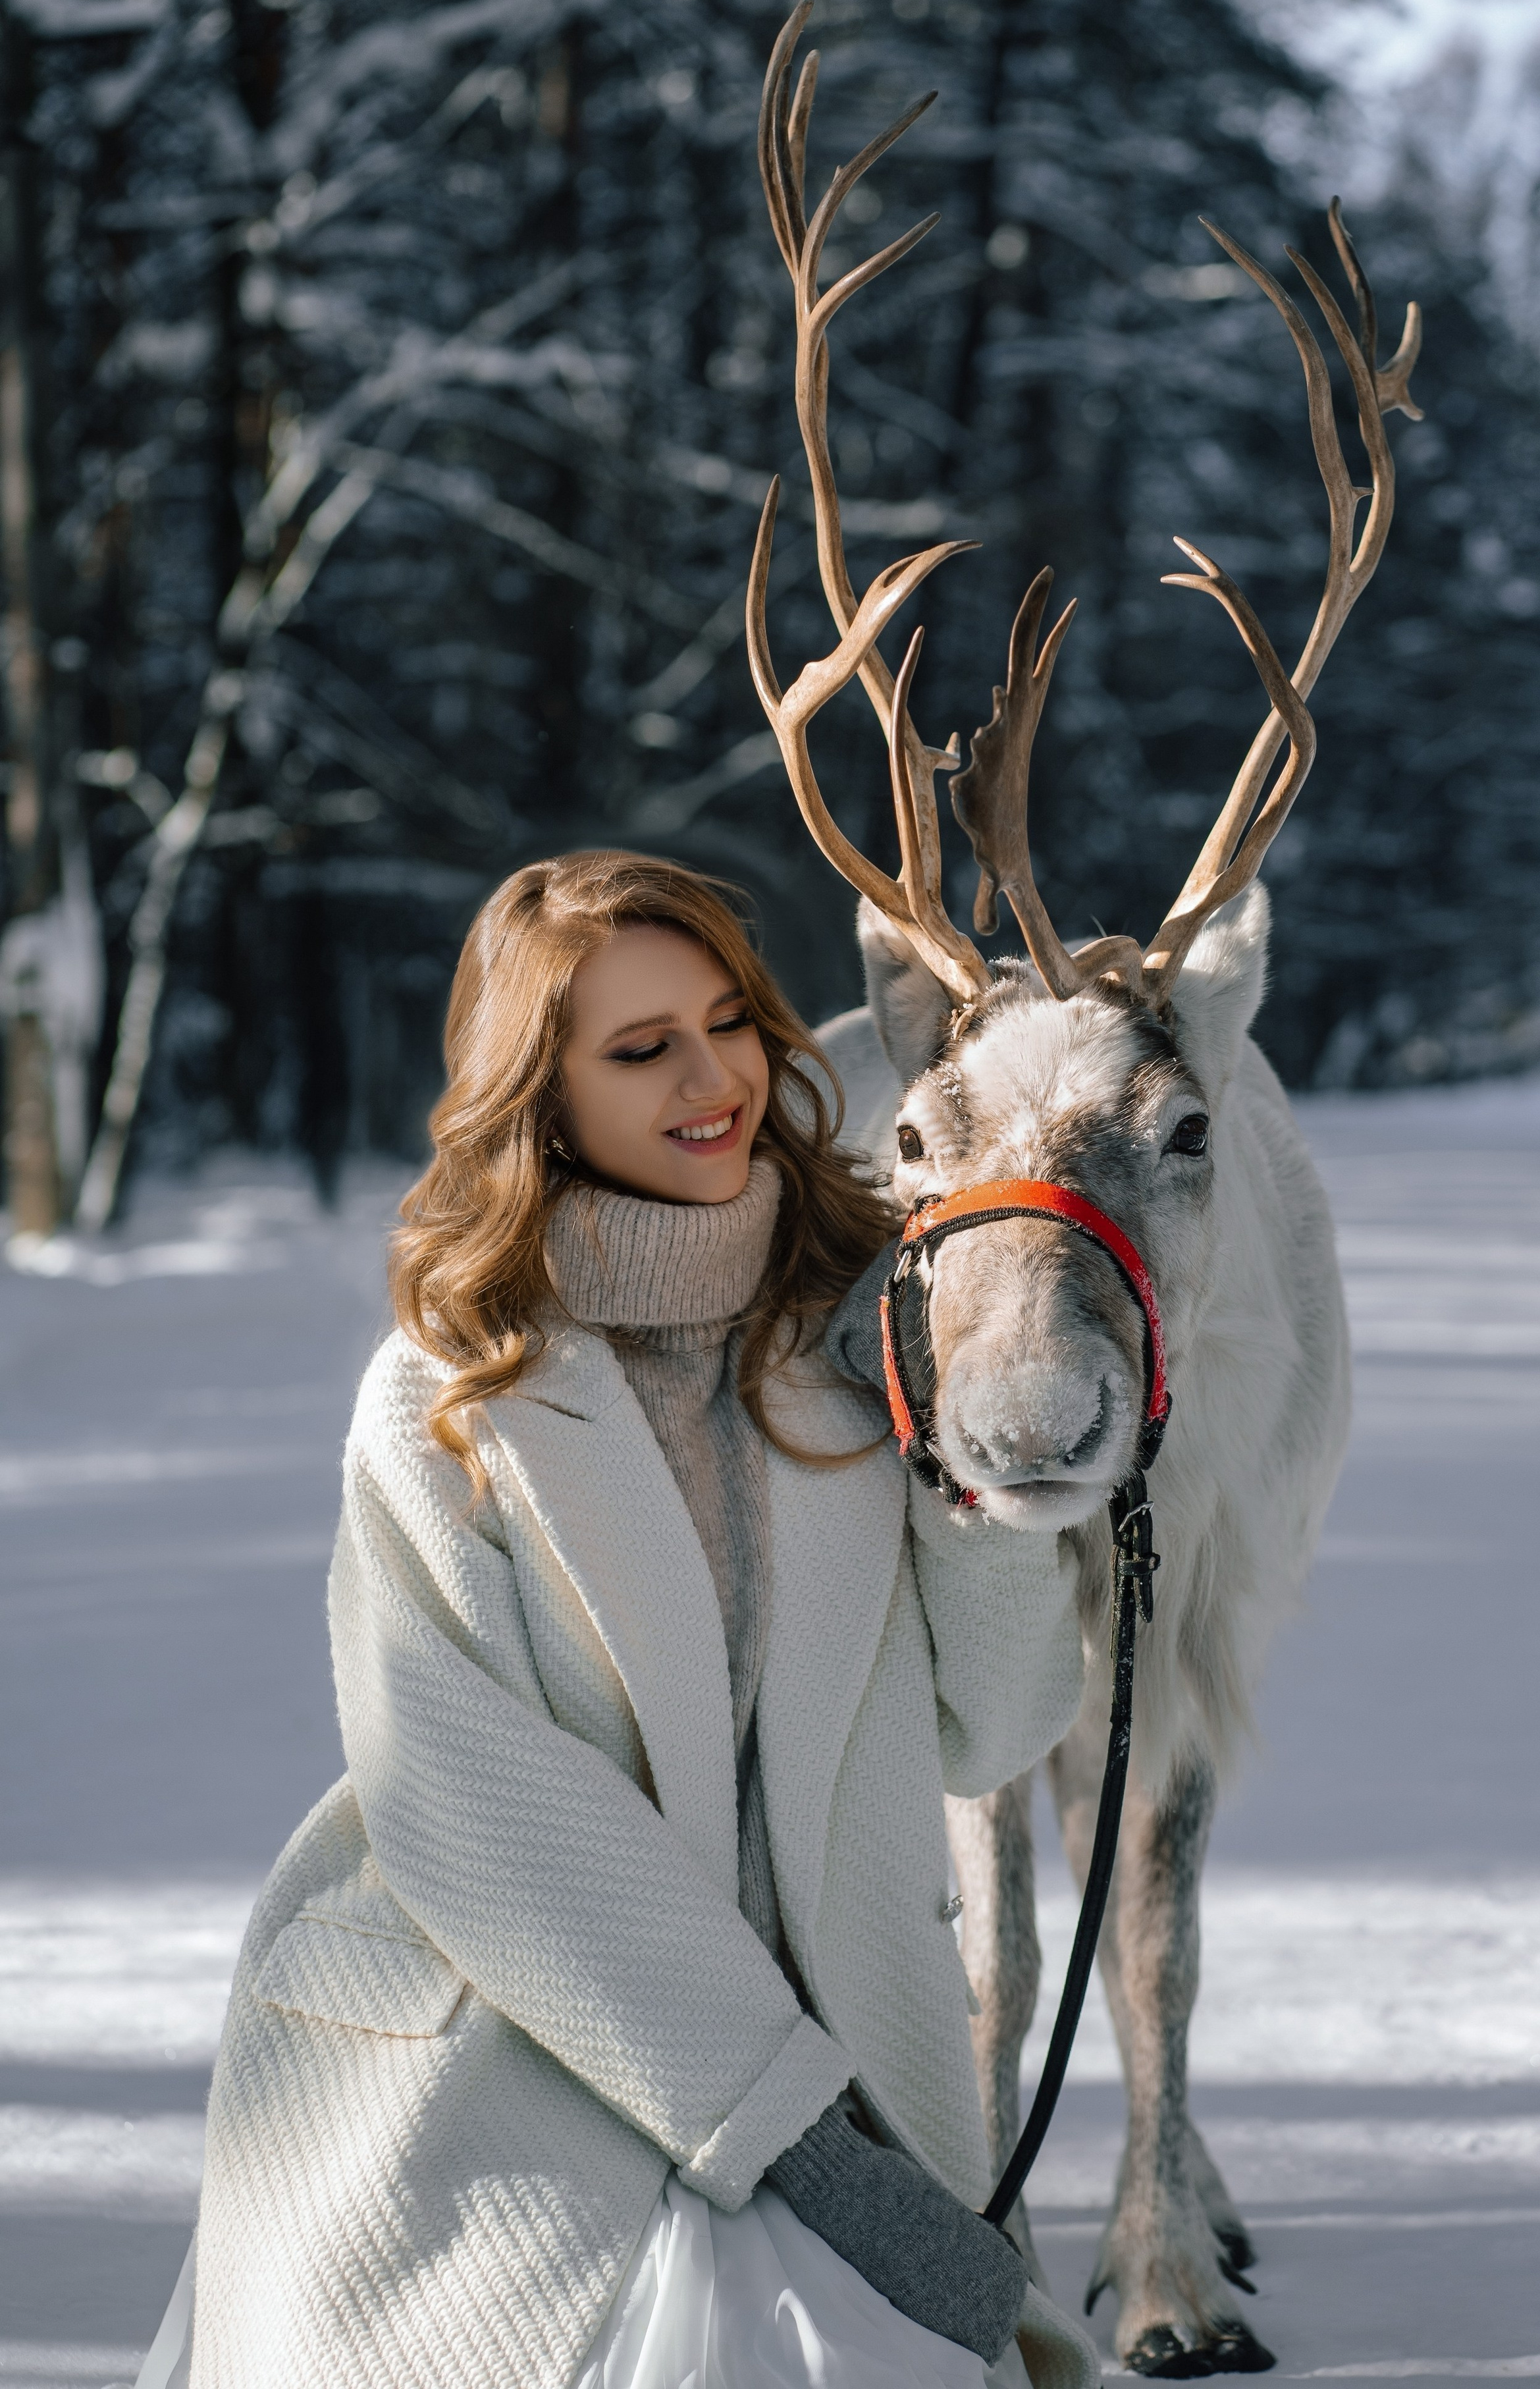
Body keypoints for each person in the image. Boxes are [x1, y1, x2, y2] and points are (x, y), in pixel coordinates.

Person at [146, 849, 1096, 2389]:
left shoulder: (854, 1339)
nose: (714, 1079)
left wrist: (964, 1453)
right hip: (512, 2047)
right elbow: (475, 1808)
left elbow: (992, 1724)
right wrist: (800, 2148)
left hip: (831, 2044)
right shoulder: (450, 1399)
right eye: (641, 1049)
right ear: (540, 1094)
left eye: (728, 1020)